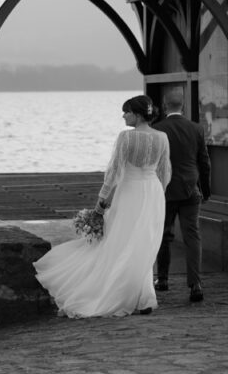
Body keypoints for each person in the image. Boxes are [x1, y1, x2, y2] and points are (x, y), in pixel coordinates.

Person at [33, 95, 171, 318]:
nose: (123, 116)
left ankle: (132, 294)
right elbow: (165, 172)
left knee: (121, 241)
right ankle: (145, 297)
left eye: (126, 112)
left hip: (130, 192)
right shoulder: (163, 137)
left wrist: (101, 201)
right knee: (144, 243)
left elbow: (114, 173)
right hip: (153, 193)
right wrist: (159, 195)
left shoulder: (126, 138)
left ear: (137, 114)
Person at [152, 88, 211, 302]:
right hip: (190, 189)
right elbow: (204, 162)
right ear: (183, 106)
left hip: (165, 190)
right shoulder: (196, 129)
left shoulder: (157, 130)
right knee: (192, 236)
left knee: (164, 235)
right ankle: (195, 284)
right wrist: (205, 189)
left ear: (165, 106)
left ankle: (163, 279)